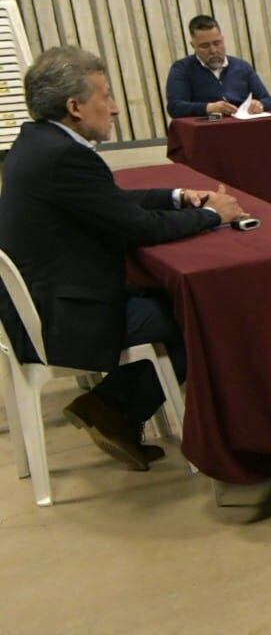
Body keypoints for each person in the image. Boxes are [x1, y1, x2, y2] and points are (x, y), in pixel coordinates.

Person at [0, 48, 248, 469]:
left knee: (174, 299)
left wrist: (178, 197)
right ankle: (112, 408)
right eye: (106, 95)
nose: (115, 108)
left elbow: (109, 203)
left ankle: (113, 407)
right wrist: (211, 215)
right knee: (203, 311)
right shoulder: (66, 156)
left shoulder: (36, 143)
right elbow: (140, 228)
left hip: (38, 304)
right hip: (62, 316)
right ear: (74, 106)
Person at [164, 15, 271, 118]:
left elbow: (269, 102)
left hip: (244, 127)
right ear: (193, 46)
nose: (213, 50)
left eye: (217, 43)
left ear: (223, 39)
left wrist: (260, 105)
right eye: (205, 46)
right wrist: (209, 108)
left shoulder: (242, 67)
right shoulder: (182, 69)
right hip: (207, 131)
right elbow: (175, 107)